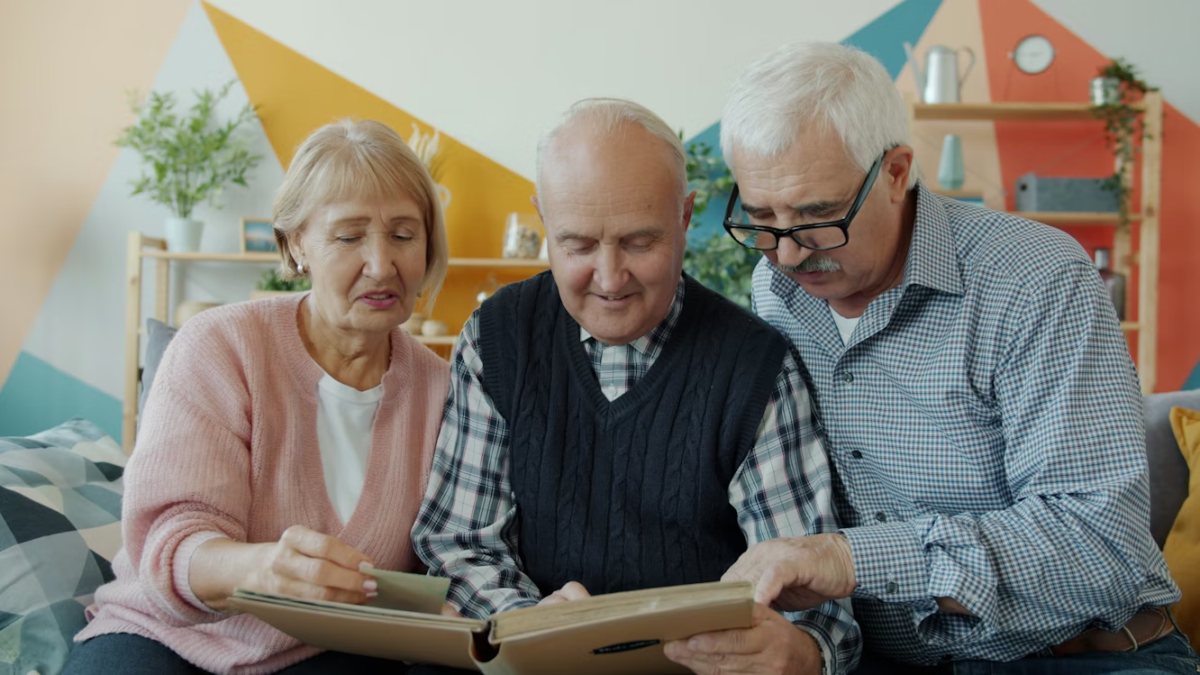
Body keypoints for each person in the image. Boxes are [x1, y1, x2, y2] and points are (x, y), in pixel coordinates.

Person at [702, 41, 1196, 673]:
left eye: (818, 215)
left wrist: (847, 558)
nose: (790, 254)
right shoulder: (775, 288)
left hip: (1077, 657)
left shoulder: (1035, 280)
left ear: (897, 171)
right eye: (762, 217)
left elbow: (1103, 549)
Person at [411, 98, 860, 674]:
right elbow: (458, 543)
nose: (609, 277)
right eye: (576, 244)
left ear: (684, 217)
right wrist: (532, 626)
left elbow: (816, 600)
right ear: (543, 220)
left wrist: (801, 653)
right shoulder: (498, 337)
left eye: (640, 242)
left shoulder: (755, 364)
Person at [65, 119, 452, 675]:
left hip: (328, 651)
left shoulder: (444, 390)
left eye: (403, 234)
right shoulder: (221, 346)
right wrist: (261, 570)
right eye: (349, 236)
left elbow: (451, 562)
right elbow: (174, 540)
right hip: (167, 636)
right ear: (296, 244)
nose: (381, 264)